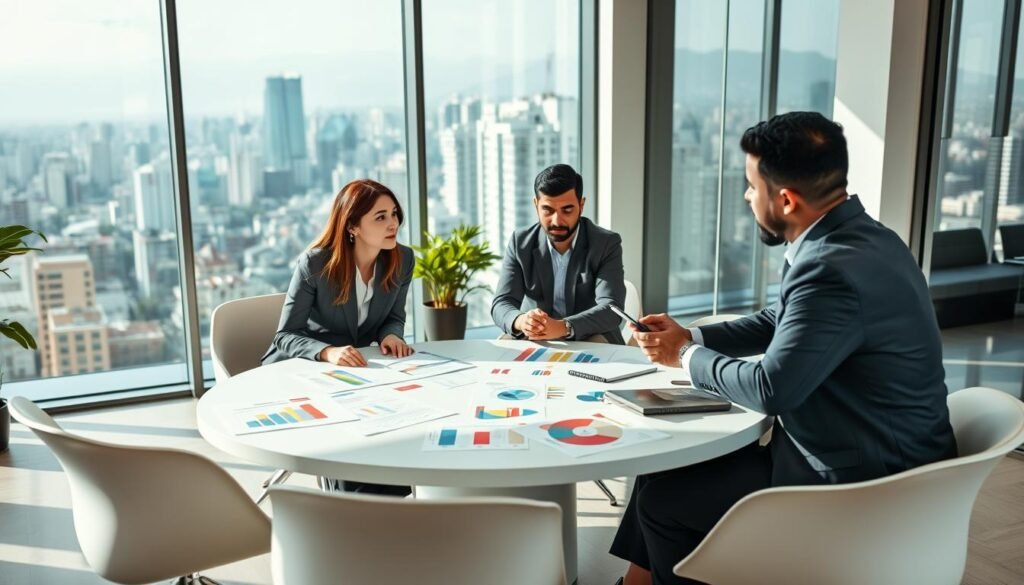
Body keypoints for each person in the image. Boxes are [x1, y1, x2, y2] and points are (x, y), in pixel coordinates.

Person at [610, 112, 958, 585]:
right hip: (879, 450)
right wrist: (693, 335)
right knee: (667, 467)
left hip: (862, 482)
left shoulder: (828, 269)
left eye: (752, 187)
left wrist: (683, 356)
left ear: (786, 199)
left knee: (663, 503)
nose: (748, 197)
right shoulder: (868, 239)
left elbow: (771, 387)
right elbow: (782, 322)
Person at [262, 178, 414, 496]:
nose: (393, 224)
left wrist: (391, 335)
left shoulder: (402, 259)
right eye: (380, 216)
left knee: (392, 424)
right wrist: (327, 351)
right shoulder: (315, 264)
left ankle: (383, 503)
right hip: (303, 370)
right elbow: (285, 335)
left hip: (357, 371)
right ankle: (347, 503)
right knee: (350, 436)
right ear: (352, 226)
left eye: (394, 214)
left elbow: (394, 316)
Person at [491, 163, 627, 344]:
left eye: (567, 210)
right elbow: (502, 302)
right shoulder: (520, 242)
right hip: (537, 337)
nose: (557, 221)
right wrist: (521, 321)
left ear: (581, 204)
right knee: (505, 347)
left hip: (591, 336)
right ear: (536, 205)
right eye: (548, 210)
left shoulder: (606, 243)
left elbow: (611, 308)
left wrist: (563, 327)